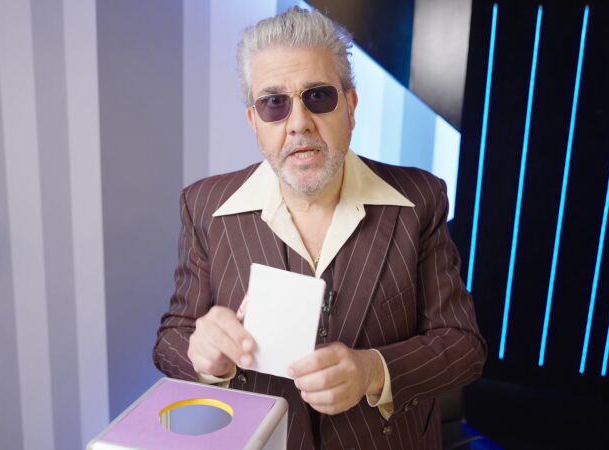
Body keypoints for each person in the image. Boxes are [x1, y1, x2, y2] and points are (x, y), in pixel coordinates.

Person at [153, 6, 487, 449]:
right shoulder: (203, 206)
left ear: (350, 106)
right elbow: (170, 340)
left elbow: (463, 347)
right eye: (274, 103)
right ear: (254, 121)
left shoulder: (419, 199)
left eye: (318, 96)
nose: (298, 124)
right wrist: (202, 356)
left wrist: (373, 371)